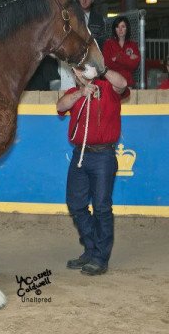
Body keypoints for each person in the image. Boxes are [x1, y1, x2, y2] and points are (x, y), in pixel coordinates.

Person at [56, 66, 129, 276]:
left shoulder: (109, 87)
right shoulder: (74, 93)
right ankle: (91, 248)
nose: (79, 74)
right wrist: (81, 92)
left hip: (103, 155)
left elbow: (123, 84)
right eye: (76, 71)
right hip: (80, 154)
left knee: (101, 208)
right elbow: (60, 106)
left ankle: (99, 257)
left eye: (82, 70)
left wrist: (102, 69)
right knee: (76, 204)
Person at [102, 16, 141, 88]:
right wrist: (128, 58)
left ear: (127, 28)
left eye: (123, 26)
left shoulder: (133, 45)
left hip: (128, 83)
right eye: (117, 27)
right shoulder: (108, 44)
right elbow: (107, 64)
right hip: (111, 83)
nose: (120, 29)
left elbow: (134, 65)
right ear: (115, 29)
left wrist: (117, 58)